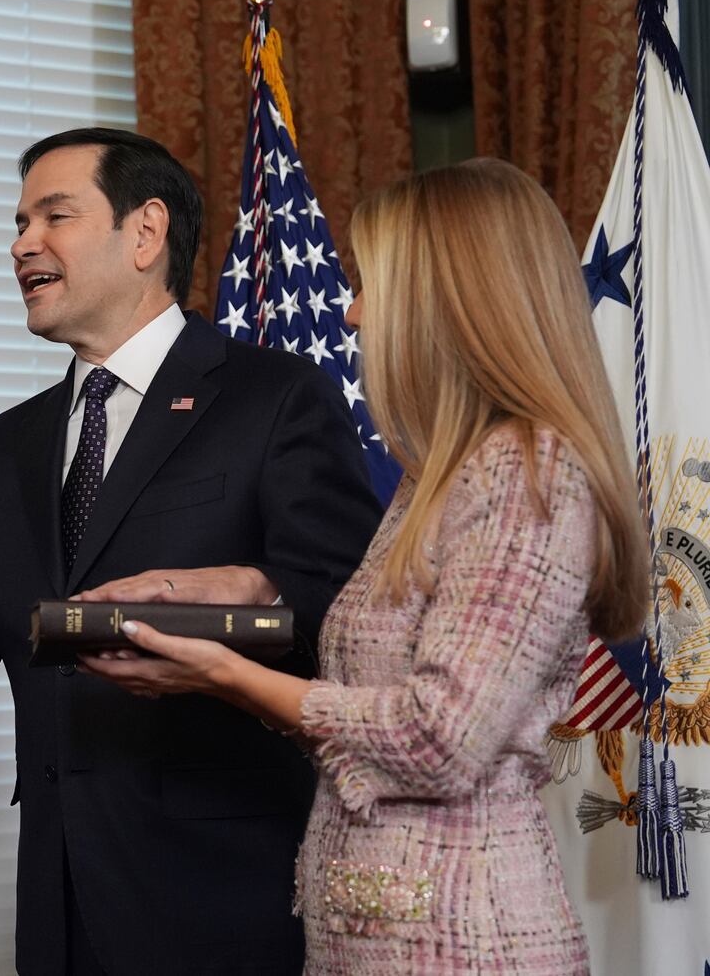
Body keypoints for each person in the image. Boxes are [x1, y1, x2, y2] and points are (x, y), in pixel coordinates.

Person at [0, 127, 383, 974]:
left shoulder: (275, 400)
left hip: (231, 900)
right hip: (60, 910)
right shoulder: (1, 450)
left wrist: (246, 599)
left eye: (55, 215)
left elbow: (347, 614)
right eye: (18, 223)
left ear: (145, 233)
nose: (21, 244)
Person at [85, 157, 649, 973]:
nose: (350, 310)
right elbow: (365, 714)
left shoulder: (531, 472)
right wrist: (226, 607)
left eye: (373, 284)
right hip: (371, 938)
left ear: (450, 300)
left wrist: (227, 676)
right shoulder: (435, 476)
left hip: (466, 942)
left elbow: (440, 737)